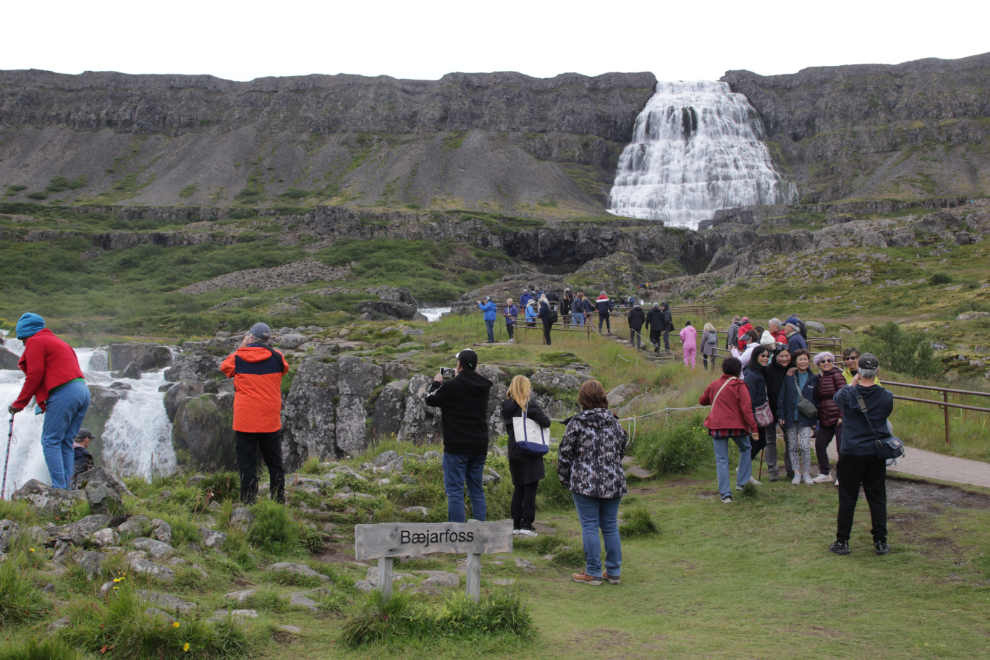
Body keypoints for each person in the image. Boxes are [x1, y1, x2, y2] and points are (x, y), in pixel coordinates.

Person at [7, 313, 89, 490]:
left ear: (28, 333)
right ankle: (68, 488)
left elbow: (34, 375)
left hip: (64, 392)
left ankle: (60, 490)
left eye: (22, 339)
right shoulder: (59, 342)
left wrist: (19, 403)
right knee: (66, 441)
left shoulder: (36, 341)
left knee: (50, 440)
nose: (23, 344)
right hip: (82, 391)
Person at [558, 380, 627, 586]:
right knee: (610, 526)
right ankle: (613, 571)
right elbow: (622, 448)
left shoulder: (577, 422)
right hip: (612, 479)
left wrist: (566, 478)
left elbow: (565, 453)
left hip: (584, 481)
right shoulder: (615, 422)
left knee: (589, 526)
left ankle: (593, 572)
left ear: (582, 399)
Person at [829, 353, 893, 556]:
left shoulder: (848, 394)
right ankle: (880, 541)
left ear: (859, 371)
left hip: (852, 451)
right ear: (877, 371)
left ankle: (843, 541)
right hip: (875, 451)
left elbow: (837, 399)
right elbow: (886, 413)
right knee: (877, 496)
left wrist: (853, 382)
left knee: (848, 497)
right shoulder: (886, 396)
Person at [221, 322, 290, 504]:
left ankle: (249, 501)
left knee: (247, 463)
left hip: (245, 420)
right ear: (268, 339)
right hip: (269, 419)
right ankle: (278, 500)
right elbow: (284, 369)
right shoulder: (277, 357)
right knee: (275, 462)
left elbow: (224, 368)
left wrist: (242, 347)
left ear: (251, 337)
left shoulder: (238, 358)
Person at [426, 349, 493, 523]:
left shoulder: (450, 386)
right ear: (476, 366)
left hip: (457, 446)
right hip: (479, 445)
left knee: (455, 492)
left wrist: (436, 382)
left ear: (458, 364)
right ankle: (479, 534)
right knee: (476, 491)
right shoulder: (484, 386)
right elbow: (468, 389)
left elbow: (430, 399)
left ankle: (458, 537)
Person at [699, 357, 758, 504]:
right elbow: (747, 408)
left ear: (723, 369)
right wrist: (754, 427)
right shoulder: (740, 385)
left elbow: (702, 401)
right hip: (737, 426)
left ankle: (725, 494)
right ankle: (742, 482)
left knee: (721, 459)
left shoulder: (715, 384)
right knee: (746, 449)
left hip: (718, 425)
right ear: (739, 370)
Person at [501, 376, 552, 537]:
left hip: (514, 449)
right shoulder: (528, 404)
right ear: (525, 388)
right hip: (529, 448)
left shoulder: (506, 405)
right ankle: (527, 524)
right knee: (530, 487)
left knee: (519, 486)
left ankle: (515, 524)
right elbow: (545, 422)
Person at [777, 348, 817, 485]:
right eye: (800, 359)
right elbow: (782, 396)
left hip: (806, 418)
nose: (803, 361)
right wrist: (781, 415)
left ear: (809, 360)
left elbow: (817, 400)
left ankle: (807, 472)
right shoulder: (789, 377)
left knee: (805, 445)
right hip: (790, 417)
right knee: (792, 446)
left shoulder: (814, 379)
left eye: (805, 359)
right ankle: (796, 473)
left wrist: (815, 420)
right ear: (795, 361)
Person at [813, 351, 846, 483]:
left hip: (838, 417)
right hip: (825, 417)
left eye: (829, 361)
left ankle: (842, 476)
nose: (826, 363)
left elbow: (844, 395)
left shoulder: (837, 375)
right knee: (820, 445)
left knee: (841, 447)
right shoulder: (817, 378)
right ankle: (825, 472)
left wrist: (842, 415)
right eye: (823, 361)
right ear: (818, 364)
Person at [743, 345, 771, 483]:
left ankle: (745, 472)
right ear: (756, 356)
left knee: (758, 443)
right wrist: (752, 417)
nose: (765, 358)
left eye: (767, 356)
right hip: (754, 414)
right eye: (763, 356)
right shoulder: (752, 374)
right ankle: (744, 471)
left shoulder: (761, 371)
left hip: (761, 413)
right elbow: (749, 397)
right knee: (757, 442)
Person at [765, 346, 793, 481]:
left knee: (789, 439)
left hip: (787, 410)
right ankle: (773, 470)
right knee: (770, 439)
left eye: (787, 356)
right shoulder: (768, 369)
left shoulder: (794, 368)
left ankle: (790, 468)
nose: (784, 359)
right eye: (781, 356)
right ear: (775, 356)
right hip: (770, 408)